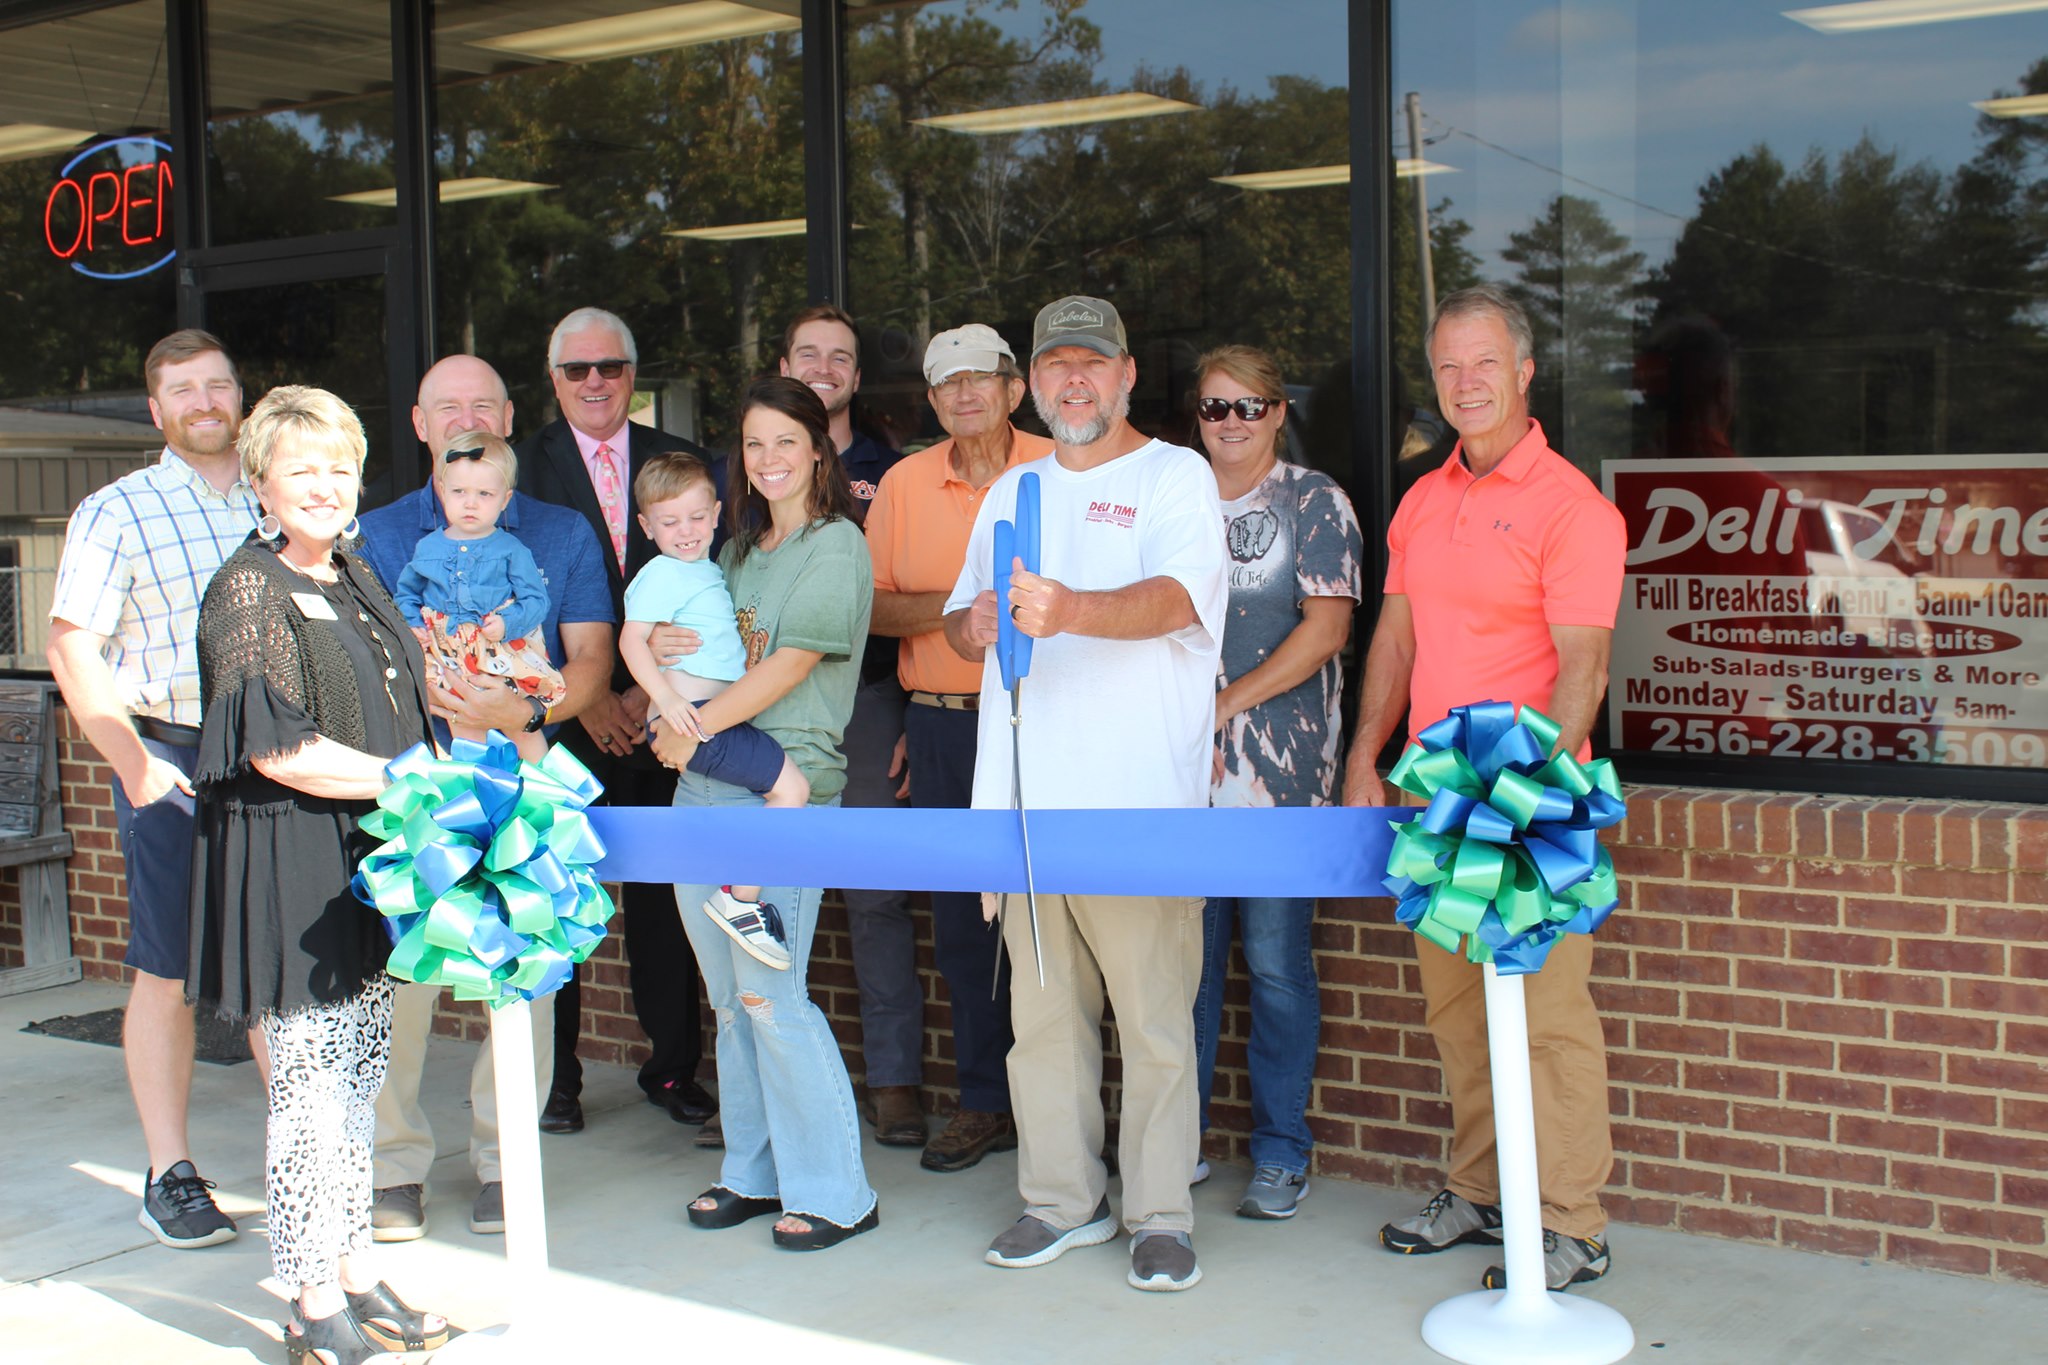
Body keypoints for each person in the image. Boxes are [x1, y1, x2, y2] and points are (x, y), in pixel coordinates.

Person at [1342, 284, 1626, 1292]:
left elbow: (1580, 663)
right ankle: (1478, 1188)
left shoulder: (1572, 510)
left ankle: (1571, 1222)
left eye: (1483, 364)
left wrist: (1533, 794)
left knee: (1546, 1015)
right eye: (1447, 367)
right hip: (1433, 795)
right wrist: (1361, 753)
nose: (1465, 384)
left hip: (1529, 799)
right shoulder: (1422, 499)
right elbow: (1396, 639)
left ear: (1523, 372)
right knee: (1455, 1010)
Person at [944, 295, 1227, 1292]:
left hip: (1139, 810)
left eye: (1090, 364)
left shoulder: (1175, 476)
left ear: (1125, 374)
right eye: (1055, 364)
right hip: (1024, 814)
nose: (1073, 381)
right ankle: (1061, 1203)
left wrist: (1069, 610)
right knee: (1043, 1025)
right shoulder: (1010, 494)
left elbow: (1180, 600)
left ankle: (1158, 1214)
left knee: (1153, 1024)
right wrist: (973, 624)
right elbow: (955, 629)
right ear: (1031, 382)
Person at [187, 385, 446, 1362]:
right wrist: (412, 781)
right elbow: (276, 749)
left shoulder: (354, 572)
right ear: (260, 482)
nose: (326, 487)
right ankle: (306, 1298)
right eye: (303, 470)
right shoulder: (247, 589)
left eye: (340, 468)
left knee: (361, 1080)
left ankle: (353, 1273)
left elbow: (407, 703)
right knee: (309, 1094)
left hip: (364, 859)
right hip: (290, 862)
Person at [355, 354, 615, 1239]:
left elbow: (590, 662)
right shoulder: (381, 531)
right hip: (420, 769)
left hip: (518, 770)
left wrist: (524, 705)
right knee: (404, 971)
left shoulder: (559, 530)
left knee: (520, 961)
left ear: (508, 417)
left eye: (482, 405)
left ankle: (508, 1161)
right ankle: (395, 1167)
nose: (466, 418)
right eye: (445, 407)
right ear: (421, 427)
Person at [649, 375, 880, 1251]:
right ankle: (751, 1169)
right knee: (729, 999)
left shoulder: (836, 548)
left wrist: (693, 724)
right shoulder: (736, 553)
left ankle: (836, 1190)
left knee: (771, 993)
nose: (770, 459)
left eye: (787, 440)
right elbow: (701, 647)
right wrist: (667, 668)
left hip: (783, 785)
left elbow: (787, 667)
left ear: (819, 449)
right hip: (701, 784)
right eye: (753, 444)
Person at [44, 328, 261, 1250]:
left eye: (219, 384)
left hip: (284, 762)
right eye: (185, 389)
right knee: (168, 972)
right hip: (169, 753)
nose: (206, 401)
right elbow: (70, 646)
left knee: (280, 974)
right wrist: (132, 762)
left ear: (240, 396)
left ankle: (312, 1164)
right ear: (156, 408)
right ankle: (170, 1172)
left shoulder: (286, 494)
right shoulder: (115, 510)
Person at [516, 307, 719, 1134]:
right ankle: (554, 1079)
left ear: (633, 374)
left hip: (664, 719)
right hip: (562, 720)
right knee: (551, 894)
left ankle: (671, 1071)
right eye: (577, 370)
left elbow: (710, 590)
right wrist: (592, 693)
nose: (594, 381)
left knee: (666, 905)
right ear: (555, 379)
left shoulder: (686, 464)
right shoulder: (521, 469)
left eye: (610, 367)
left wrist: (644, 691)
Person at [863, 323, 1053, 1172]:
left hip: (1049, 722)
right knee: (963, 925)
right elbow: (870, 608)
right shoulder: (903, 481)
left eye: (983, 378)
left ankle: (1059, 1112)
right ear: (932, 400)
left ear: (1015, 388)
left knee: (1057, 918)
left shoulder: (1065, 464)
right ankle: (984, 1100)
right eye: (949, 383)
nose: (966, 394)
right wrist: (959, 610)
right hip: (943, 723)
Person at [1193, 345, 1364, 1220]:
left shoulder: (1313, 499)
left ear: (1278, 411)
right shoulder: (1173, 499)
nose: (1230, 423)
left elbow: (1325, 630)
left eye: (1247, 407)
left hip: (1280, 781)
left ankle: (1280, 1150)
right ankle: (1173, 1143)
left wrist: (1223, 704)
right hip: (1180, 781)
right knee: (1184, 969)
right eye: (1214, 407)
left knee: (1273, 965)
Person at [778, 305, 920, 1145]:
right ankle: (755, 1084)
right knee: (755, 892)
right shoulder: (752, 469)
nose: (824, 367)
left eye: (841, 357)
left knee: (875, 898)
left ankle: (895, 1078)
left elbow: (898, 595)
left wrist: (906, 706)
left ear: (857, 378)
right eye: (808, 354)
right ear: (786, 364)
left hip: (863, 702)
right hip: (766, 708)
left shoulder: (889, 471)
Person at [618, 450, 810, 964]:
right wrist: (667, 700)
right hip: (699, 717)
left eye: (697, 517)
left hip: (708, 713)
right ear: (646, 526)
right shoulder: (663, 573)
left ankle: (738, 894)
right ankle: (741, 901)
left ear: (718, 512)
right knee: (792, 789)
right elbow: (631, 641)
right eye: (669, 521)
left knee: (782, 791)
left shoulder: (703, 568)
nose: (686, 530)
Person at [393, 430, 566, 763]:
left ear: (505, 499)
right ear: (442, 491)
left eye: (485, 494)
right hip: (450, 653)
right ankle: (478, 799)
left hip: (499, 650)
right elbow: (407, 592)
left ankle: (545, 793)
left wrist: (508, 623)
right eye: (459, 491)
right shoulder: (427, 547)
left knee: (521, 730)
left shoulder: (511, 549)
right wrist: (412, 621)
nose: (470, 503)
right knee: (465, 726)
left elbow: (536, 600)